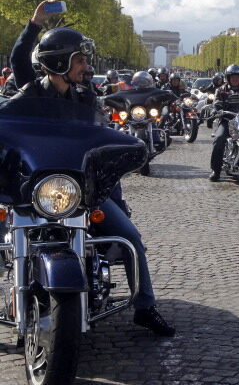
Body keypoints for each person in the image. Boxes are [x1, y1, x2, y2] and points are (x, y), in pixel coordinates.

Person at [11, 26, 175, 336]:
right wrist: (34, 26)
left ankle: (145, 305)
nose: (87, 67)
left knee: (131, 239)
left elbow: (101, 132)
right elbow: (11, 97)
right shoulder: (30, 93)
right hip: (36, 188)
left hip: (80, 189)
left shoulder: (87, 97)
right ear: (60, 63)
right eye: (80, 61)